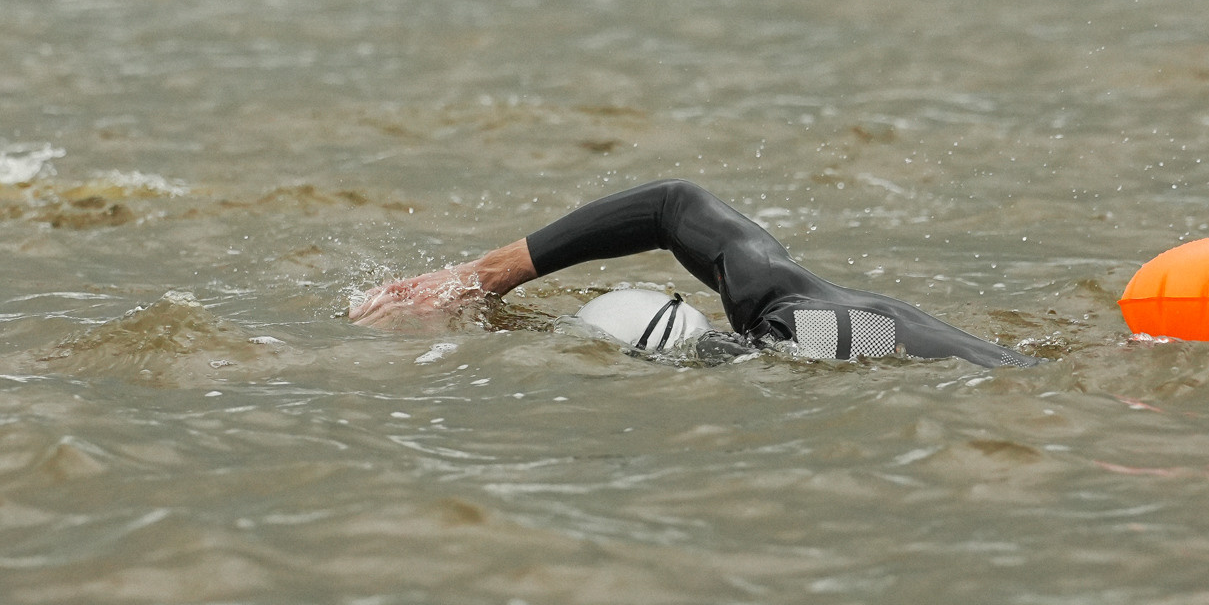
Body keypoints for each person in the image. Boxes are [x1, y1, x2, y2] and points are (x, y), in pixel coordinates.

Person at [349, 178, 1032, 367]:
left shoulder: (782, 339)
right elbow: (673, 205)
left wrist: (497, 314)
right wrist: (488, 275)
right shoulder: (786, 300)